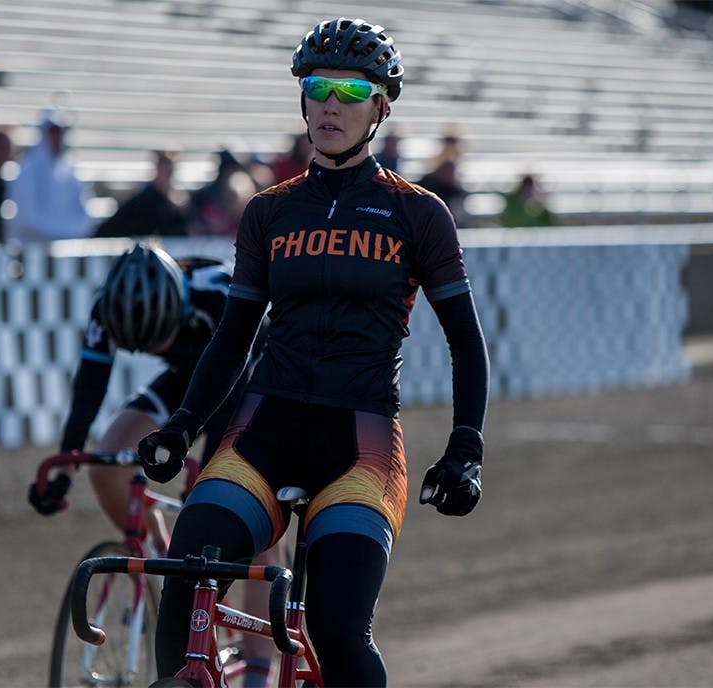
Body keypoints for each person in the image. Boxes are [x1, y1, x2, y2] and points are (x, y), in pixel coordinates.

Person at [137, 17, 489, 686]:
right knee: (187, 578)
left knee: (336, 628)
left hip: (358, 445)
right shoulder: (269, 211)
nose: (331, 104)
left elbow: (465, 343)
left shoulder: (419, 213)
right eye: (318, 87)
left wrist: (465, 448)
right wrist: (181, 427)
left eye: (351, 92)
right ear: (302, 99)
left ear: (380, 108)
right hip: (262, 430)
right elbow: (233, 336)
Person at [28, 243, 279, 686]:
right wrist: (66, 465)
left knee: (246, 494)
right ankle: (165, 561)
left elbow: (232, 382)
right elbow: (89, 388)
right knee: (108, 459)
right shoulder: (107, 309)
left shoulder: (216, 294)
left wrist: (209, 465)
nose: (148, 352)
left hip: (253, 370)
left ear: (176, 310)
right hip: (191, 372)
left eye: (156, 340)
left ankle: (259, 664)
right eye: (138, 347)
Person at [6, 108, 93, 243]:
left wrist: (73, 232)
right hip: (33, 252)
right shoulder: (27, 170)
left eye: (59, 132)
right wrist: (67, 232)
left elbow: (84, 213)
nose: (57, 138)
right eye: (53, 132)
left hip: (66, 253)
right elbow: (27, 217)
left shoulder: (72, 171)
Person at [95, 150, 188, 237]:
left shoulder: (173, 202)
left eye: (171, 173)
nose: (169, 178)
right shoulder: (144, 200)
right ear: (157, 170)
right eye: (167, 172)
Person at [187, 148, 255, 237]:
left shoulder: (252, 218)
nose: (234, 203)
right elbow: (196, 231)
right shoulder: (207, 205)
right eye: (230, 198)